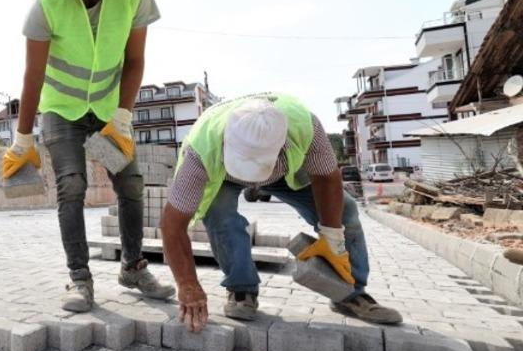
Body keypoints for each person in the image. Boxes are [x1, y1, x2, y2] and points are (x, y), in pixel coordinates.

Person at [1, 0, 172, 313]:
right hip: (62, 110)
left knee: (130, 183)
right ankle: (79, 278)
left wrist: (124, 116)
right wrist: (23, 137)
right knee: (72, 185)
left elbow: (134, 61)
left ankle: (133, 266)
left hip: (110, 109)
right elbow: (34, 74)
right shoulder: (46, 6)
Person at [160, 93, 403, 332]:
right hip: (223, 175)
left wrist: (333, 237)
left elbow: (327, 179)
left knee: (345, 211)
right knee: (220, 214)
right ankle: (241, 289)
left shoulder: (305, 126)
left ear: (281, 144)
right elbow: (172, 225)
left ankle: (350, 293)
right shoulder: (200, 150)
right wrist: (188, 284)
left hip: (282, 171)